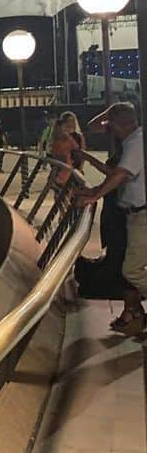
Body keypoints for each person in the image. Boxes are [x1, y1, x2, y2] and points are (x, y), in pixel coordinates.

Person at [75, 103, 147, 335]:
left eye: (111, 124)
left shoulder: (136, 142)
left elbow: (121, 173)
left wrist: (95, 194)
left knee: (131, 271)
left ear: (117, 124)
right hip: (131, 215)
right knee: (128, 267)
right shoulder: (131, 140)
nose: (108, 129)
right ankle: (134, 314)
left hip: (140, 215)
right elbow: (93, 127)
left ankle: (133, 313)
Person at [48, 111, 85, 190]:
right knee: (59, 191)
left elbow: (82, 152)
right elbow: (53, 150)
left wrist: (80, 168)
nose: (71, 123)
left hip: (75, 167)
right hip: (61, 167)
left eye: (73, 120)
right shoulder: (59, 135)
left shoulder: (78, 136)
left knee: (73, 192)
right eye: (69, 121)